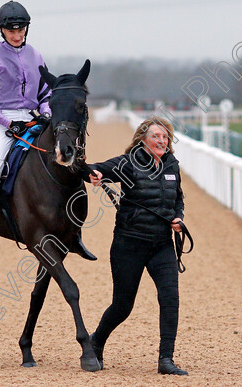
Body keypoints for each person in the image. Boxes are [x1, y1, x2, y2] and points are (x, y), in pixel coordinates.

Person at [87, 117, 188, 376]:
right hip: (128, 244)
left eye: (165, 137)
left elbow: (178, 199)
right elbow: (98, 168)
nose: (161, 141)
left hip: (162, 244)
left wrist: (178, 218)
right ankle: (95, 342)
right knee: (122, 306)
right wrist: (95, 174)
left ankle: (166, 359)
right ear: (142, 138)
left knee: (170, 299)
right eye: (156, 136)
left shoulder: (171, 165)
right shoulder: (129, 162)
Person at [0, 0, 52, 264]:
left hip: (33, 119)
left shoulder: (36, 56)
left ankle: (71, 231)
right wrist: (6, 122)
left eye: (21, 30)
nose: (17, 35)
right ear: (2, 31)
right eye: (11, 31)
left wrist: (47, 114)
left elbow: (46, 92)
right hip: (4, 122)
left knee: (60, 158)